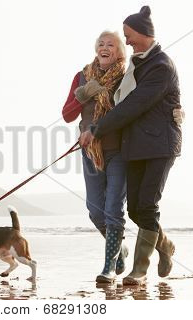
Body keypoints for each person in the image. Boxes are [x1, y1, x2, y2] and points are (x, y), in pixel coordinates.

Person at [81, 6, 182, 285]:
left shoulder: (161, 66)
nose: (126, 41)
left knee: (146, 206)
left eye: (128, 36)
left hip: (159, 146)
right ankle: (166, 246)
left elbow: (133, 106)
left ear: (143, 33)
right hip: (134, 146)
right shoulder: (137, 65)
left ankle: (139, 270)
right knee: (136, 210)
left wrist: (97, 129)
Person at [62, 31, 129, 283]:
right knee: (95, 210)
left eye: (111, 44)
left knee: (113, 209)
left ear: (120, 51)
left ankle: (109, 267)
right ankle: (119, 249)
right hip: (90, 150)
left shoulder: (128, 76)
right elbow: (68, 115)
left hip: (121, 150)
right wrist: (83, 95)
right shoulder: (82, 76)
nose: (104, 47)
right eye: (101, 43)